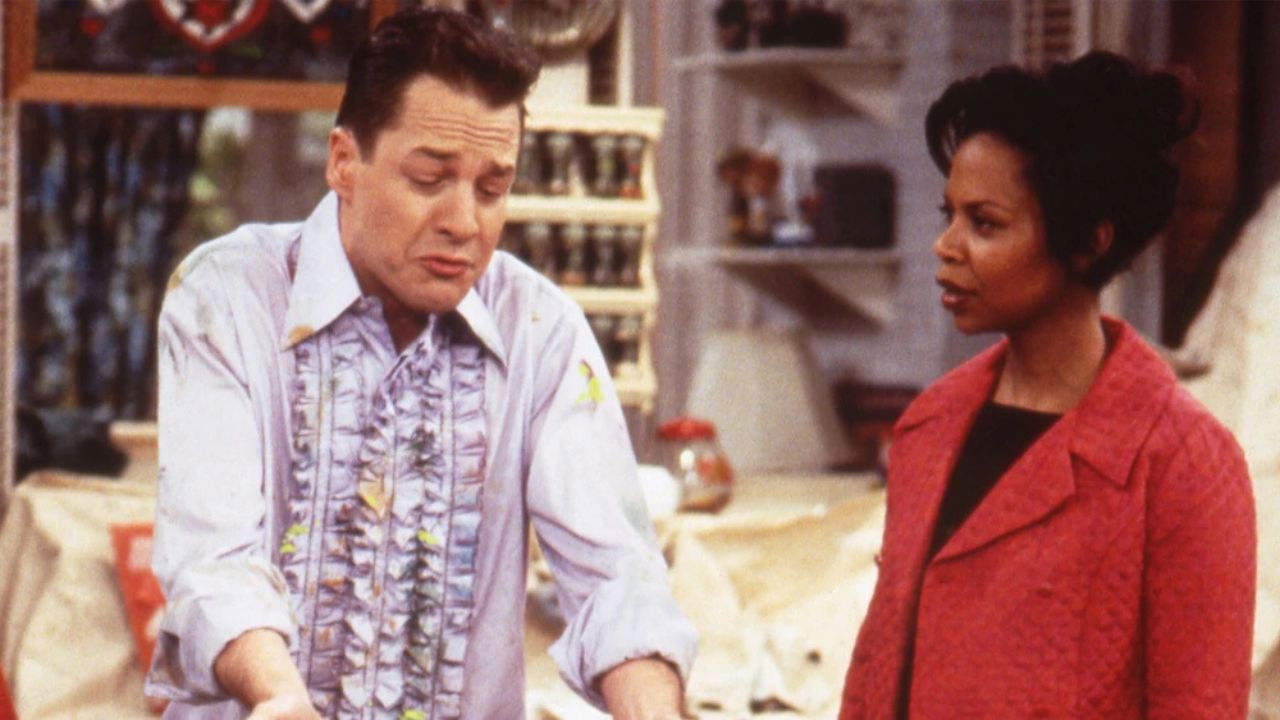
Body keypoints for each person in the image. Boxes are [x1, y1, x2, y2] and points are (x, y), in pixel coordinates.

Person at [145, 8, 696, 720]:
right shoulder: (226, 295)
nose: (464, 222)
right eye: (430, 178)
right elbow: (214, 560)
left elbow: (617, 581)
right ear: (343, 162)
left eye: (492, 189)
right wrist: (280, 697)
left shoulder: (541, 329)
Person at [840, 52, 1256, 718]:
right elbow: (872, 680)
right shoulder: (928, 426)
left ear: (1089, 242)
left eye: (985, 223)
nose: (946, 245)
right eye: (949, 214)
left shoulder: (1185, 465)